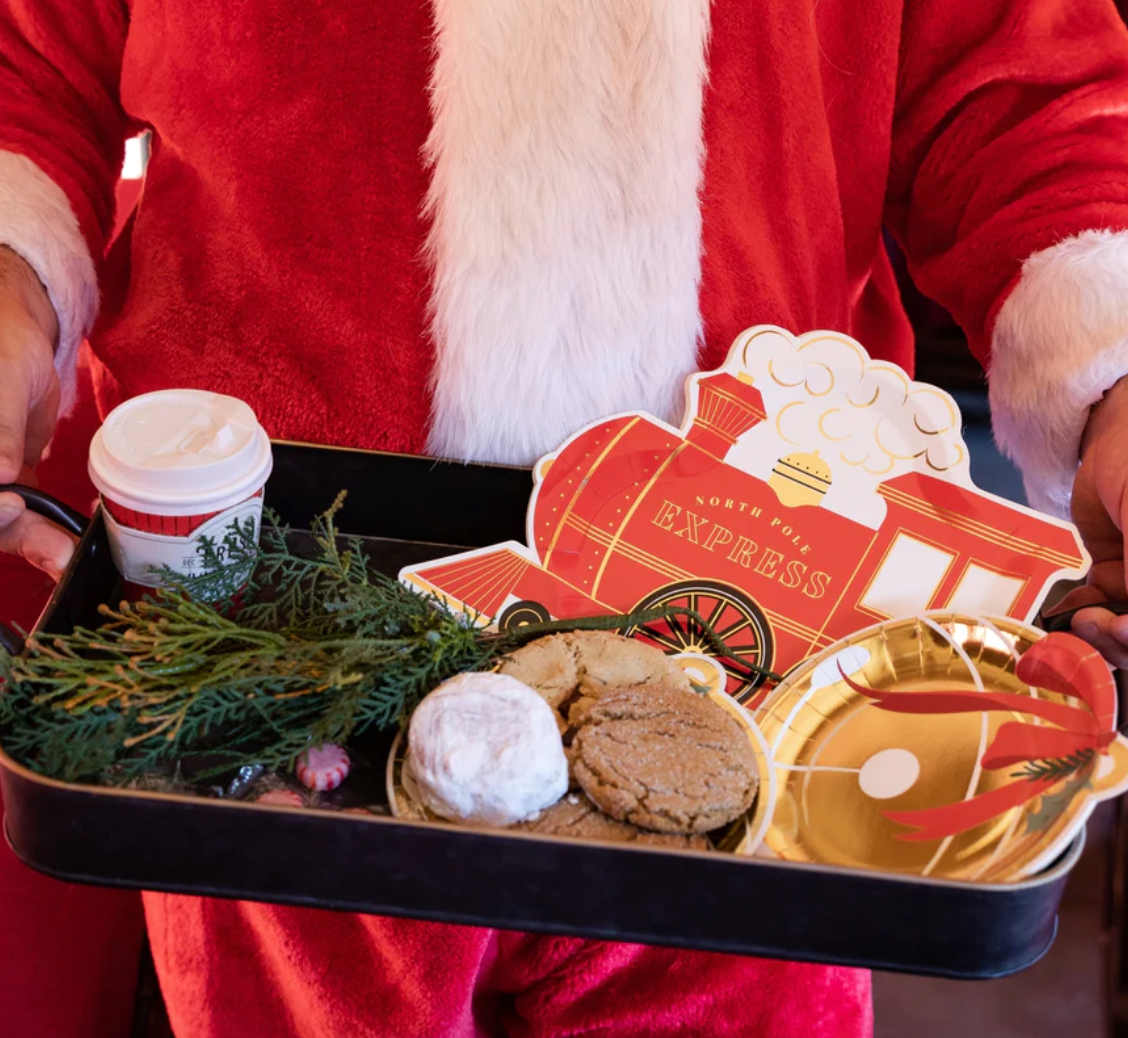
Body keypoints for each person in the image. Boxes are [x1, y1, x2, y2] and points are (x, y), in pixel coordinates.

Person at [4, 1, 1128, 1035]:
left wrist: (1116, 373)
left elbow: (1024, 94)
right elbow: (34, 57)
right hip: (277, 611)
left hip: (764, 619)